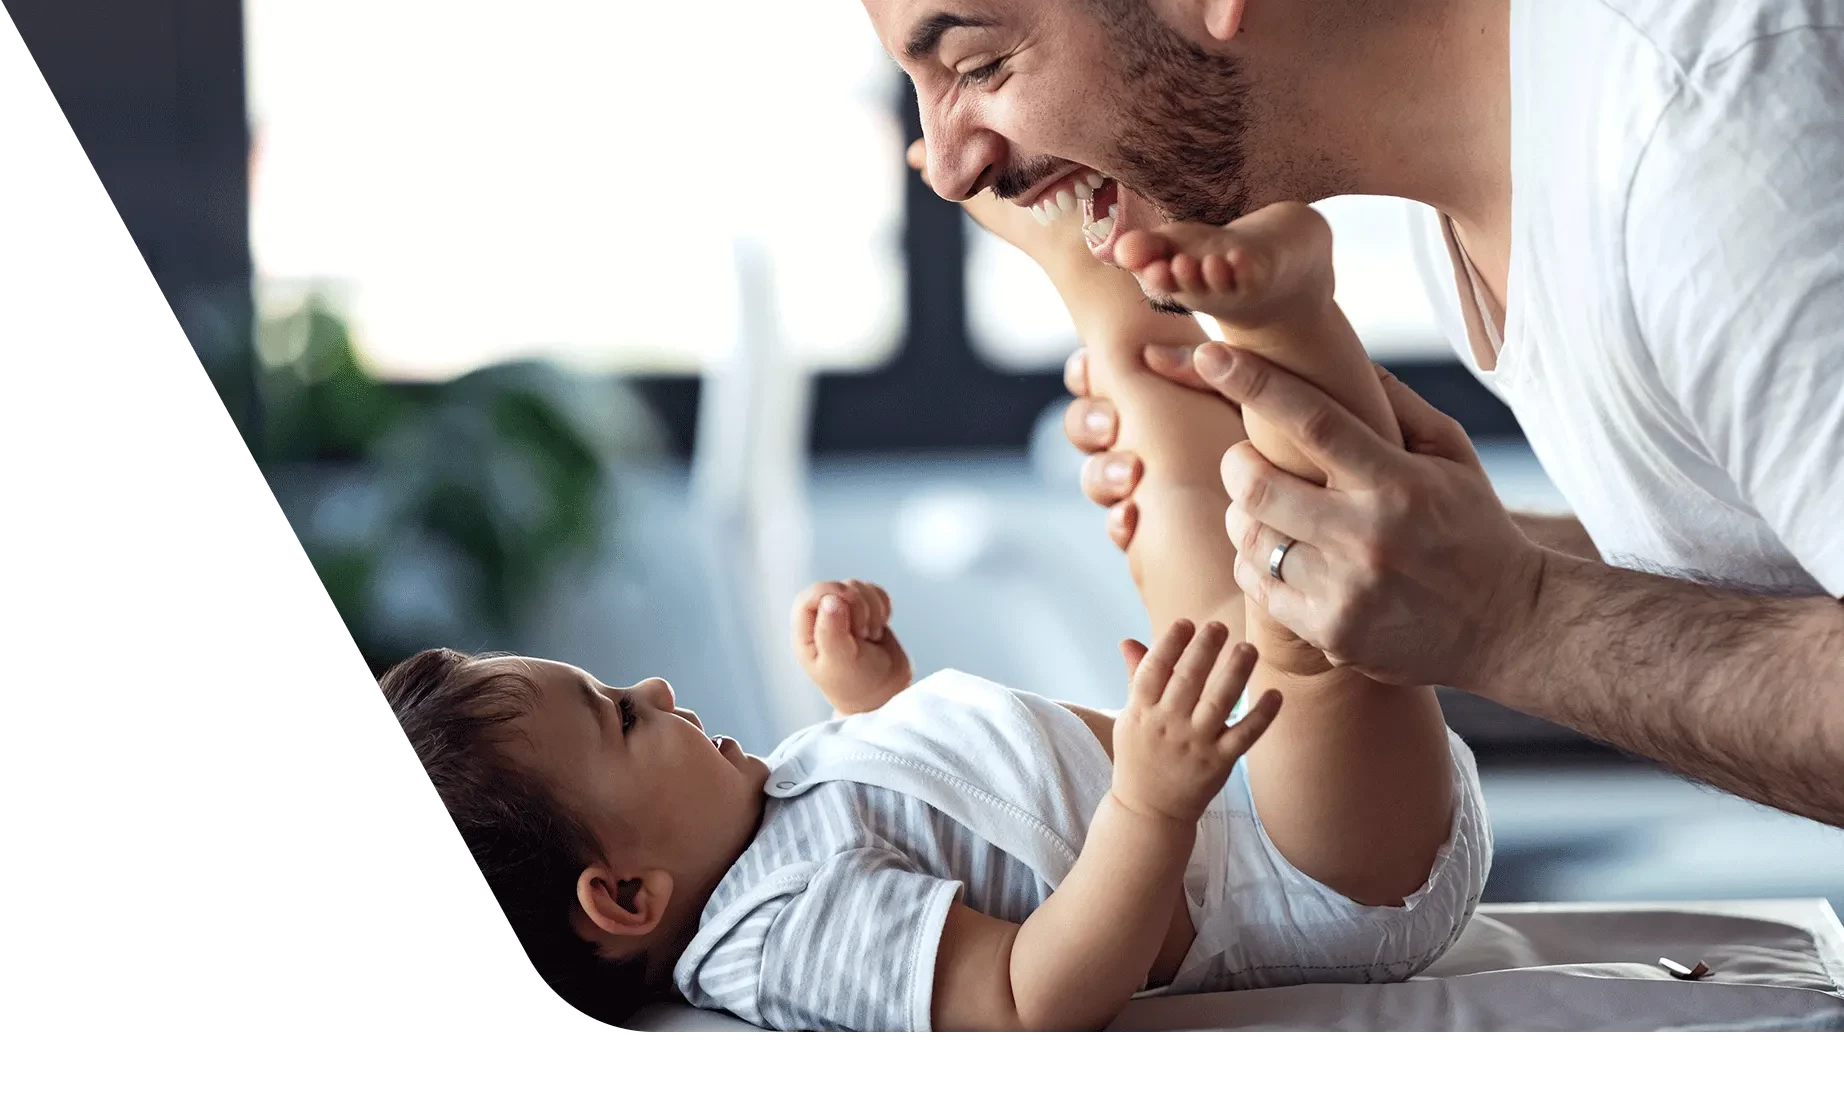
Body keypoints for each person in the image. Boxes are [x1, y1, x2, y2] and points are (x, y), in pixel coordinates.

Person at [378, 180, 1491, 1031]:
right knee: (1305, 615)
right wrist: (1149, 803)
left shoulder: (767, 818)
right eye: (620, 712)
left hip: (1243, 800)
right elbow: (1023, 995)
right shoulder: (776, 933)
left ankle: (1107, 287)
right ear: (621, 893)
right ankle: (1294, 315)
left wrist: (876, 699)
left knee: (1187, 517)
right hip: (1317, 883)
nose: (657, 686)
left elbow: (942, 823)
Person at [863, 0, 1844, 827]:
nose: (944, 166)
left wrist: (1512, 619)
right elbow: (1782, 552)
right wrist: (1401, 545)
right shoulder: (1474, 194)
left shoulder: (1705, 139)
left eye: (977, 64)